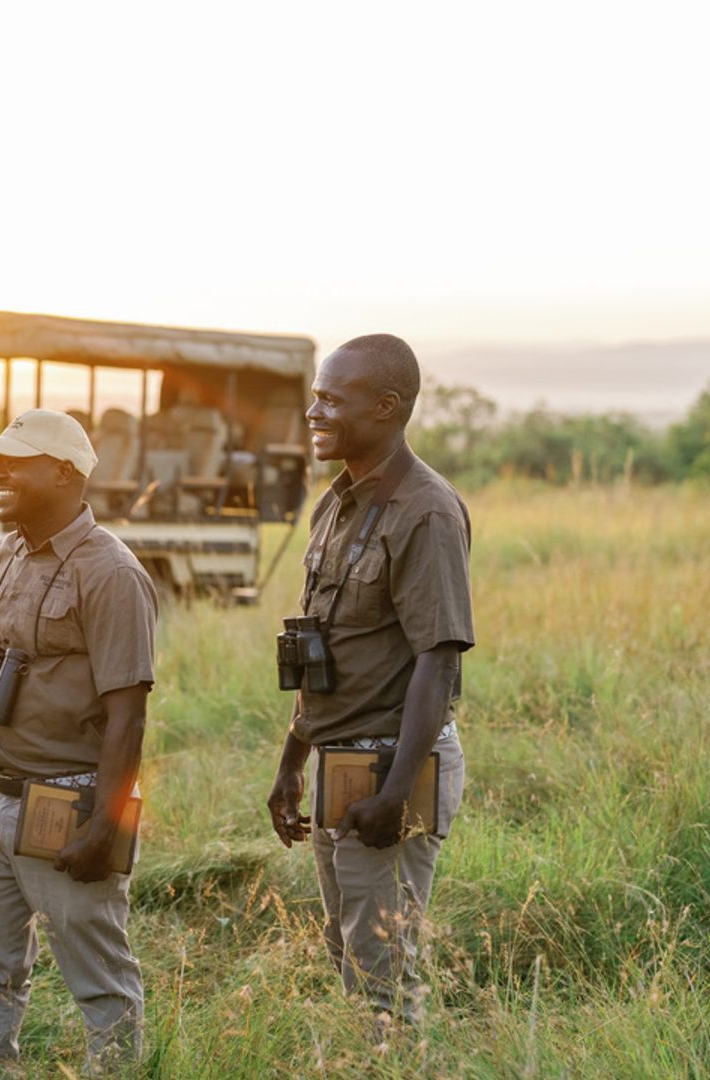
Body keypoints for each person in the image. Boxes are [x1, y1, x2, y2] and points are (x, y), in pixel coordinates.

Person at [263, 333, 474, 1040]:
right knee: (350, 949)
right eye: (315, 396)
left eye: (332, 398)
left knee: (384, 962)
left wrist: (394, 791)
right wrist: (294, 761)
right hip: (338, 762)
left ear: (386, 407)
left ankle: (396, 1059)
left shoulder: (426, 511)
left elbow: (437, 662)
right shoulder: (339, 502)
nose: (314, 411)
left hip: (391, 767)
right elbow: (324, 644)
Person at [0, 409, 159, 1075]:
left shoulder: (111, 573)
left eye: (16, 459)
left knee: (99, 980)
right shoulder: (4, 555)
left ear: (66, 474)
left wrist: (106, 822)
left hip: (67, 804)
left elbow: (130, 716)